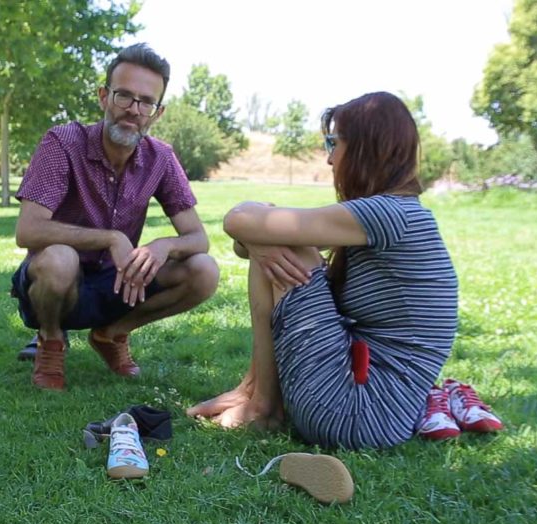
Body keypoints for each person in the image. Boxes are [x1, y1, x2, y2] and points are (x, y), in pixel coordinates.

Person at [187, 92, 459, 449]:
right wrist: (258, 242)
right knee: (281, 245)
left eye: (334, 143)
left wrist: (258, 235)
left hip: (358, 414)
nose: (330, 159)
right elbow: (245, 242)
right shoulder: (393, 214)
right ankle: (254, 393)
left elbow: (239, 220)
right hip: (376, 410)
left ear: (366, 147)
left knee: (289, 247)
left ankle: (264, 405)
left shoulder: (390, 215)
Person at [12, 43, 219, 390]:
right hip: (53, 285)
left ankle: (111, 334)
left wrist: (163, 246)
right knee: (61, 258)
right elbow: (27, 231)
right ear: (103, 96)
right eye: (124, 96)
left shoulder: (161, 158)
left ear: (157, 112)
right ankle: (51, 341)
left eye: (145, 102)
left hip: (119, 284)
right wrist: (111, 238)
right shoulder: (62, 143)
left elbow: (199, 238)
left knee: (204, 271)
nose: (133, 109)